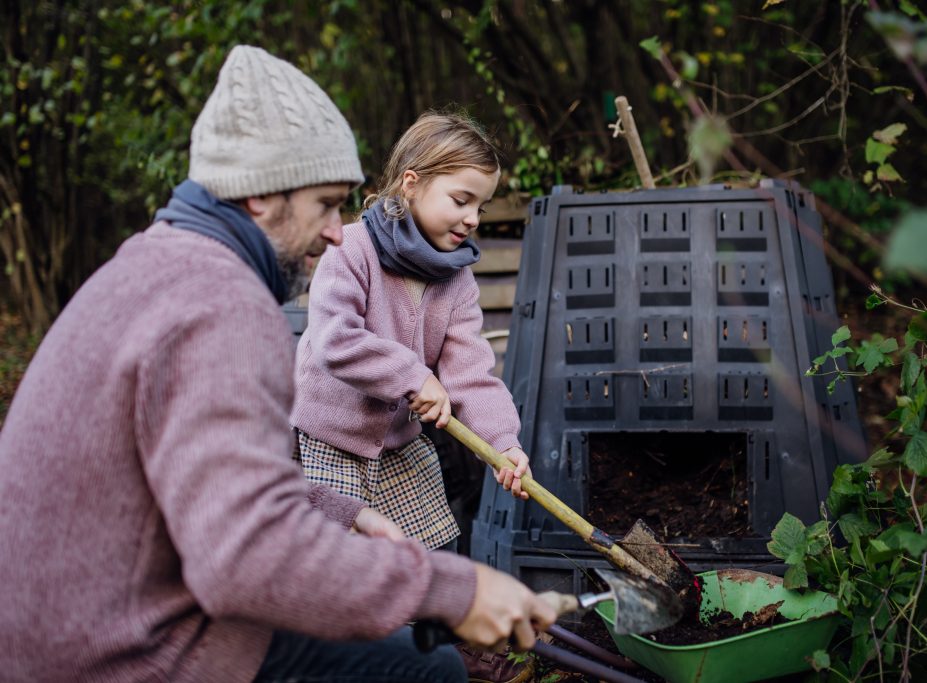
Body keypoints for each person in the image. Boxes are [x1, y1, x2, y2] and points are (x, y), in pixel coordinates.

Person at [0, 45, 555, 683]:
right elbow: (245, 559)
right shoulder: (224, 309)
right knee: (428, 674)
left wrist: (341, 514)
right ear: (261, 198)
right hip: (121, 653)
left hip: (98, 617)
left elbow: (208, 492)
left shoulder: (151, 265)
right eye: (324, 204)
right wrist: (452, 592)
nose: (333, 231)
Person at [291, 112, 531, 557]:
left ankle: (428, 626)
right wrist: (414, 376)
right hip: (328, 443)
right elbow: (335, 341)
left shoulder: (457, 281)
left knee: (431, 561)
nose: (473, 218)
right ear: (411, 183)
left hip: (398, 449)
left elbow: (470, 376)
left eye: (481, 207)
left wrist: (504, 444)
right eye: (461, 200)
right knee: (340, 567)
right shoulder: (350, 250)